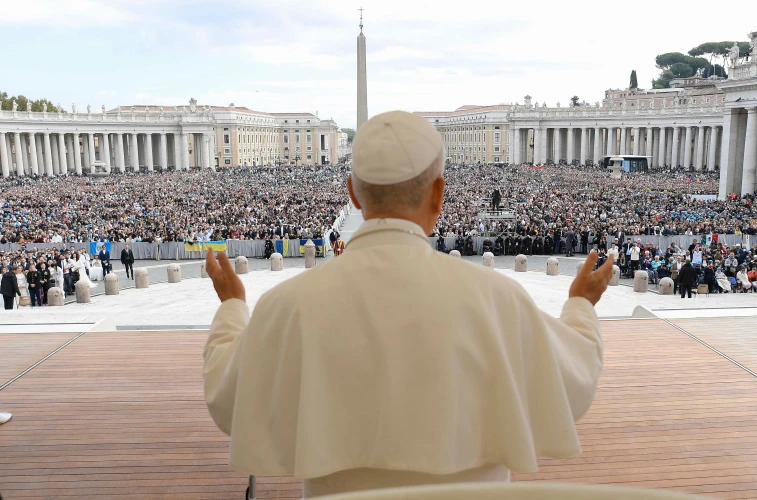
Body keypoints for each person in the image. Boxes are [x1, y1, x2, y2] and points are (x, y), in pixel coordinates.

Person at [202, 111, 613, 497]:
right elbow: (574, 384)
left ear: (354, 195)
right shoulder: (498, 299)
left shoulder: (286, 303)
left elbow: (226, 400)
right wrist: (580, 305)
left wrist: (233, 306)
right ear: (438, 194)